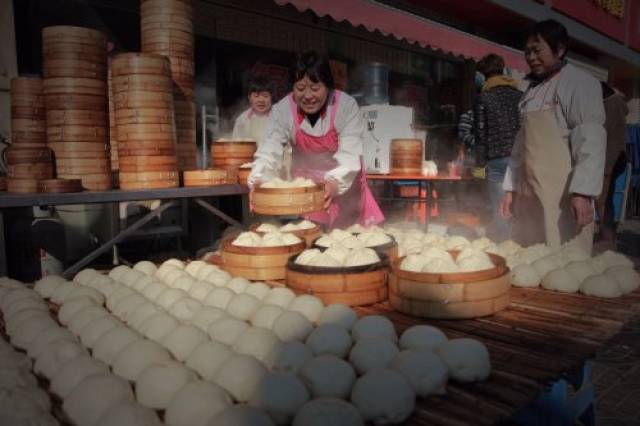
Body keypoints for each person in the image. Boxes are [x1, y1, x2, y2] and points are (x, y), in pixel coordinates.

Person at [500, 20, 606, 253]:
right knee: (529, 253)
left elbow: (591, 139)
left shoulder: (580, 83)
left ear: (560, 49)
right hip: (530, 194)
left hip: (562, 197)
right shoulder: (531, 91)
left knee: (563, 259)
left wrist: (583, 193)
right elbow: (520, 146)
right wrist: (511, 189)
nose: (531, 57)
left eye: (538, 50)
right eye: (527, 51)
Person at [248, 51, 384, 229]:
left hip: (346, 187)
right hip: (309, 192)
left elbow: (351, 154)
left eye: (315, 87)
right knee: (314, 239)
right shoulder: (282, 111)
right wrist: (260, 179)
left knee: (352, 240)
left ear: (328, 86)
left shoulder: (345, 106)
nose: (308, 96)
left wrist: (335, 184)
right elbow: (269, 149)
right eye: (300, 88)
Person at [474, 53, 522, 242]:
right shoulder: (520, 96)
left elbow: (480, 135)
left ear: (483, 75)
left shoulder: (484, 97)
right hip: (521, 158)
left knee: (501, 208)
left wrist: (478, 170)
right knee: (519, 208)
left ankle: (505, 248)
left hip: (497, 160)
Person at [598, 82, 629, 241]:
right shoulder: (617, 103)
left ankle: (607, 237)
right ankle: (607, 235)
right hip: (617, 157)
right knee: (606, 199)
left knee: (602, 200)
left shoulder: (610, 105)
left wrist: (605, 170)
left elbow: (606, 136)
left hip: (610, 159)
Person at [232, 74, 275, 147]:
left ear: (272, 97)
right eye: (256, 96)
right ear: (249, 97)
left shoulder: (280, 117)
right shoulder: (242, 120)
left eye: (265, 96)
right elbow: (235, 145)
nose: (261, 100)